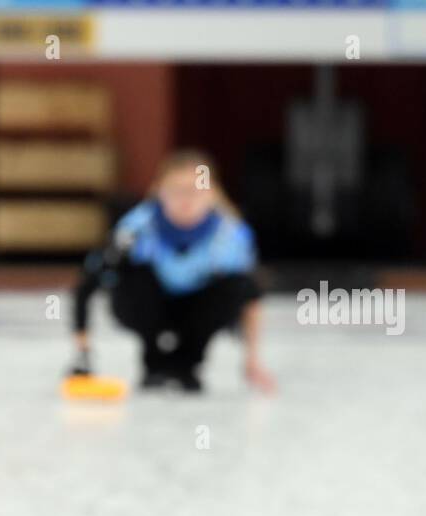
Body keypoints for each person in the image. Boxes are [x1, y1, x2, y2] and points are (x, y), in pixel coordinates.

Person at [69, 150, 276, 393]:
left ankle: (188, 362)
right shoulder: (134, 230)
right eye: (177, 190)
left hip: (199, 312)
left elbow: (251, 295)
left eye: (195, 190)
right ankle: (153, 359)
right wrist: (82, 353)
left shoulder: (231, 236)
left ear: (212, 193)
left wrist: (251, 359)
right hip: (148, 308)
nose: (186, 200)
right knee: (128, 269)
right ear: (159, 192)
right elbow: (87, 284)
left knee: (239, 283)